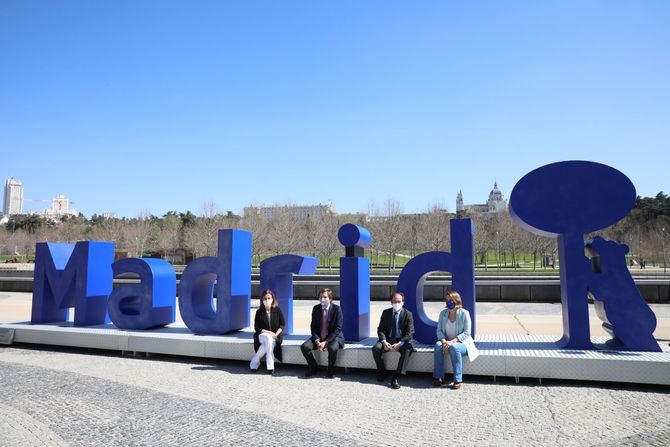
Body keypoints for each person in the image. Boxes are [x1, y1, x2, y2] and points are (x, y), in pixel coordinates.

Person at [433, 290, 479, 389]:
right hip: (447, 342)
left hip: (462, 343)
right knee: (437, 346)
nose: (448, 302)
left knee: (455, 347)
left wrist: (452, 342)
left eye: (451, 300)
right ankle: (439, 376)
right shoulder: (443, 313)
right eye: (447, 300)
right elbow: (439, 331)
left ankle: (457, 379)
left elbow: (467, 332)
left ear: (456, 301)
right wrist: (444, 341)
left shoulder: (464, 313)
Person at [372, 291, 414, 389]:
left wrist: (400, 343)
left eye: (399, 301)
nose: (397, 304)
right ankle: (382, 372)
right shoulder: (386, 313)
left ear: (403, 302)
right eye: (394, 301)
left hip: (401, 340)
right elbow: (380, 329)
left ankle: (396, 377)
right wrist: (384, 341)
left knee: (407, 350)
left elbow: (410, 332)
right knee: (376, 348)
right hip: (388, 339)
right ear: (391, 302)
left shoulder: (408, 314)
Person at [300, 288, 344, 378]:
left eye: (325, 297)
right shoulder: (316, 308)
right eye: (320, 297)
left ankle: (330, 369)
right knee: (304, 347)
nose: (322, 299)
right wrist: (316, 340)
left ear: (330, 299)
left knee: (332, 348)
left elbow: (337, 328)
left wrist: (326, 342)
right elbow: (313, 326)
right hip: (319, 337)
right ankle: (313, 367)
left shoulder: (337, 309)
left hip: (333, 337)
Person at [250, 289, 285, 376]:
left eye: (269, 298)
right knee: (268, 337)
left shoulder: (277, 310)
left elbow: (282, 324)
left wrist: (275, 334)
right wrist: (270, 332)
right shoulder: (259, 312)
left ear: (272, 299)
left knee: (266, 344)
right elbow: (257, 328)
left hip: (275, 336)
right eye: (265, 299)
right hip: (262, 336)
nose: (267, 300)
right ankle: (270, 366)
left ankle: (254, 362)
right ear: (262, 300)